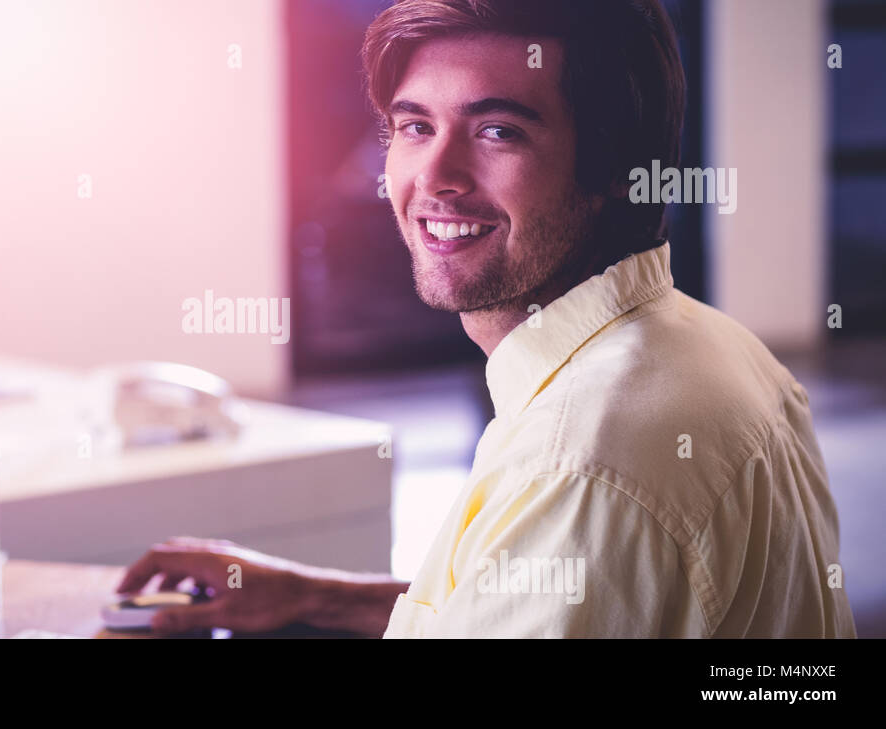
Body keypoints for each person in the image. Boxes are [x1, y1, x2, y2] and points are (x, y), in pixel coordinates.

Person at [117, 0, 856, 638]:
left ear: (611, 170)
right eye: (414, 127)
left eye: (497, 130)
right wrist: (319, 596)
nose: (434, 177)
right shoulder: (709, 343)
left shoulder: (586, 461)